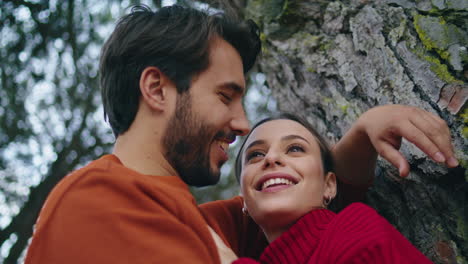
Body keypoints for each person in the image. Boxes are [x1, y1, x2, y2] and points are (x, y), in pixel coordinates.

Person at [24, 4, 457, 264]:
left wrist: (363, 131)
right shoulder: (100, 206)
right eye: (226, 95)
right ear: (157, 89)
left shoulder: (197, 221)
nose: (243, 124)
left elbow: (310, 208)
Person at [230, 113, 434, 263]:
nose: (271, 158)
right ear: (243, 199)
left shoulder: (356, 229)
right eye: (255, 155)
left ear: (329, 186)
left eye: (295, 148)